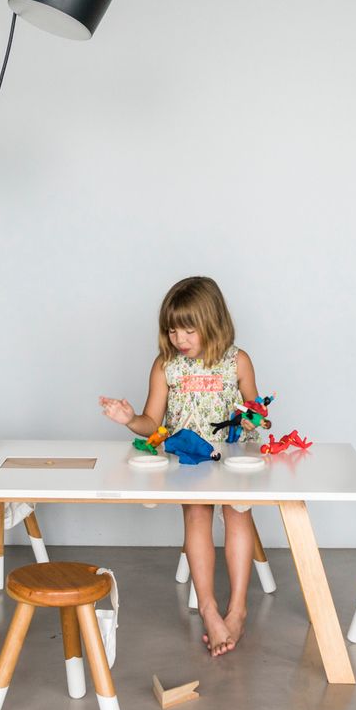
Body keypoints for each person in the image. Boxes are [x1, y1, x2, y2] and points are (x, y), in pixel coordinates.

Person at [99, 276, 261, 657]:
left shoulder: (237, 361)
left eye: (189, 329)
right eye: (172, 330)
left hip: (234, 454)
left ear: (213, 323)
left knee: (238, 516)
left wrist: (254, 417)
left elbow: (256, 410)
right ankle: (208, 608)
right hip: (190, 458)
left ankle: (237, 609)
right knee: (196, 516)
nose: (179, 339)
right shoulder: (166, 366)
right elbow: (151, 424)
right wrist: (128, 418)